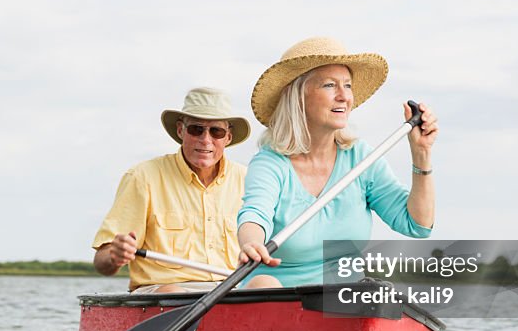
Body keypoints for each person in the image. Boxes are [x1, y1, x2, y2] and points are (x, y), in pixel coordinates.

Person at [237, 37, 438, 286]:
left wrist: (421, 153)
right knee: (263, 283)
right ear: (298, 97)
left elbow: (417, 225)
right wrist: (251, 243)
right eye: (330, 85)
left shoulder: (362, 159)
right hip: (275, 298)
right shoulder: (271, 163)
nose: (344, 96)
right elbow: (255, 215)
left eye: (348, 85)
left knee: (378, 292)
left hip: (340, 301)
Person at [92, 87, 255, 293]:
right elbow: (101, 262)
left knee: (267, 284)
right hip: (164, 294)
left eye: (216, 131)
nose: (206, 139)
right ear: (180, 131)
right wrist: (115, 256)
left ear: (228, 138)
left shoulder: (249, 180)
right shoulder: (143, 176)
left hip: (234, 291)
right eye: (196, 129)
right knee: (172, 292)